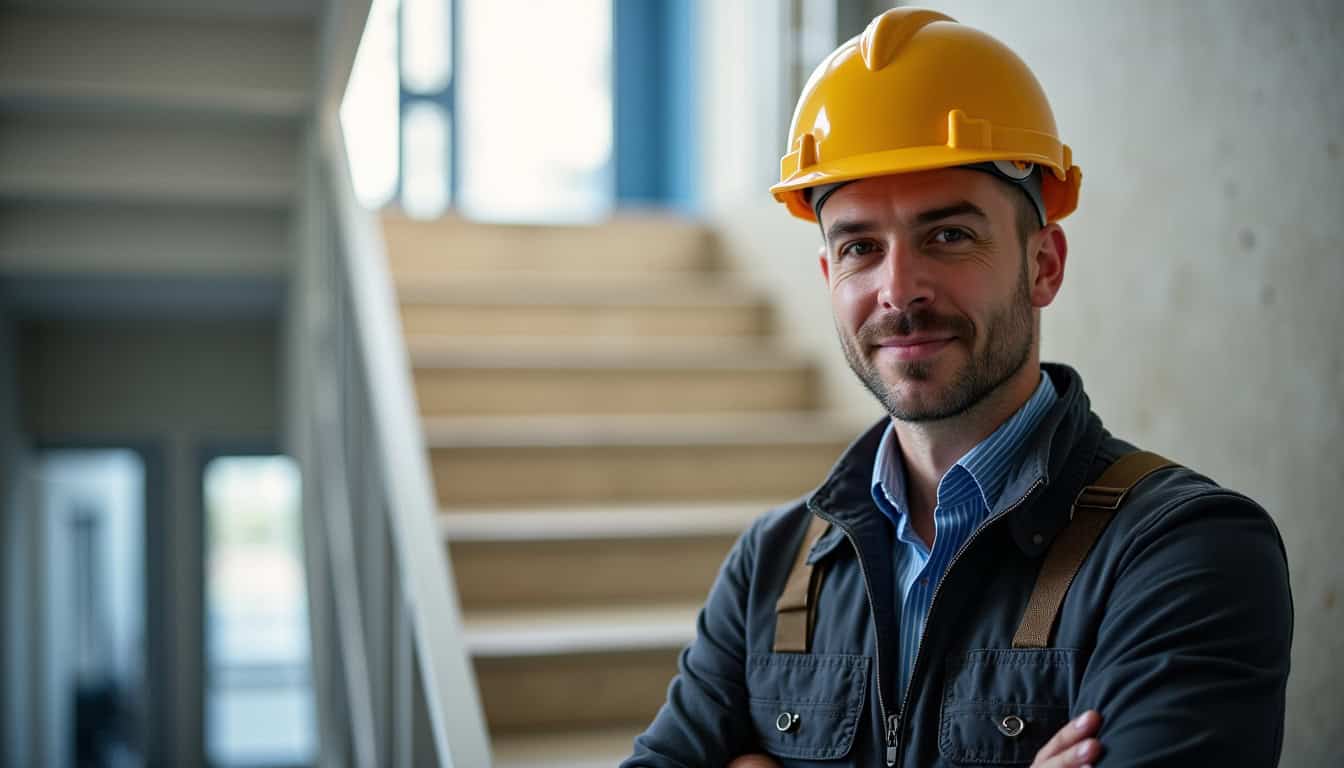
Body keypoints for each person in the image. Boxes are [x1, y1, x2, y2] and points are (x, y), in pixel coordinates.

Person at [620, 7, 1292, 768]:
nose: (899, 290)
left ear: (1044, 265)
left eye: (948, 235)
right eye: (860, 248)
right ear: (827, 277)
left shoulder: (1182, 554)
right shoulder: (772, 570)